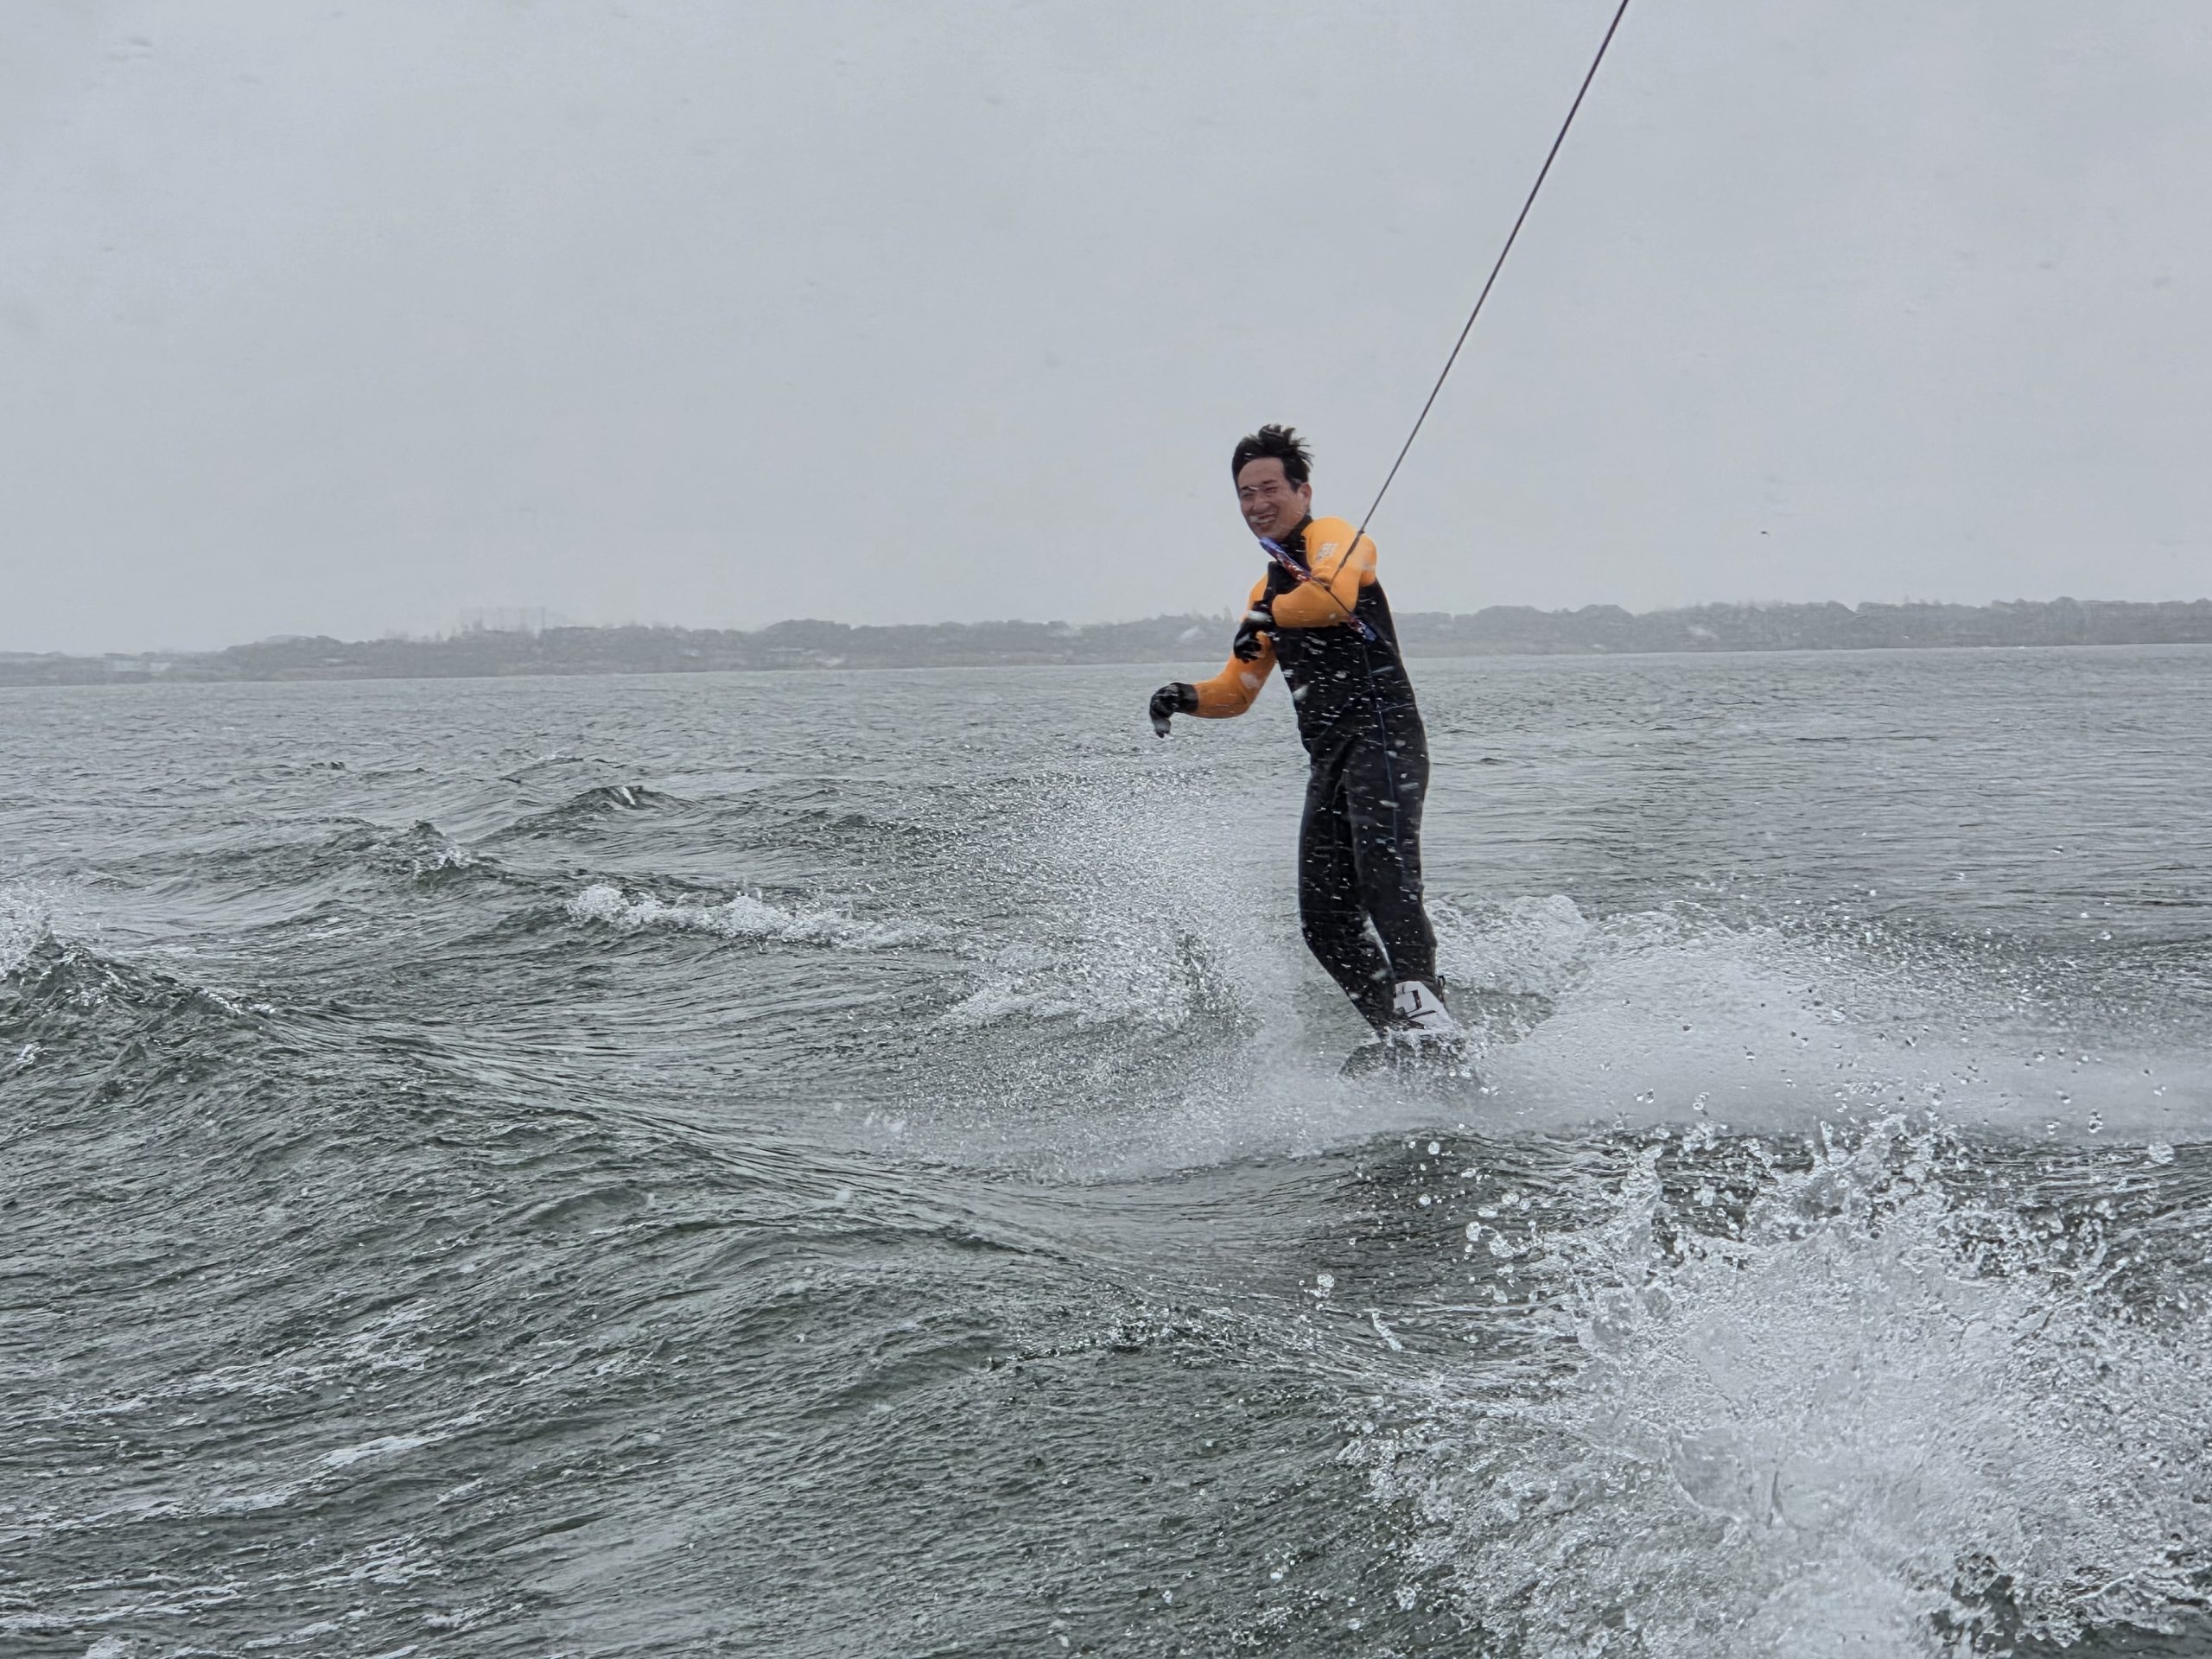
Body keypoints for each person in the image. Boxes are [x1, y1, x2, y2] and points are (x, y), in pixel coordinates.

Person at [1149, 424, 1460, 1046]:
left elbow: (1331, 600)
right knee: (1325, 921)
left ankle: (1425, 1007)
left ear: (1303, 491)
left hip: (1383, 737)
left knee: (1383, 871)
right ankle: (1397, 1032)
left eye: (1270, 488)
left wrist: (1270, 614)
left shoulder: (1338, 538)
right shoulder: (1266, 587)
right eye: (1245, 494)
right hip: (1329, 759)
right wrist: (1183, 698)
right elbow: (1237, 691)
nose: (1257, 503)